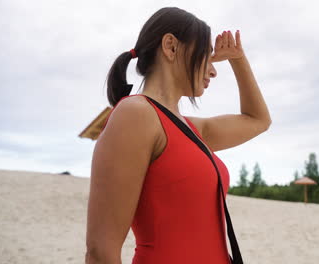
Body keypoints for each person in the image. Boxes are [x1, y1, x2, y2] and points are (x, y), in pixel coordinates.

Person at [85, 6, 271, 264]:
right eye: (207, 56)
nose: (214, 70)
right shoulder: (136, 115)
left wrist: (237, 59)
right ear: (171, 46)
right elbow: (100, 251)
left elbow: (258, 120)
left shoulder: (193, 130)